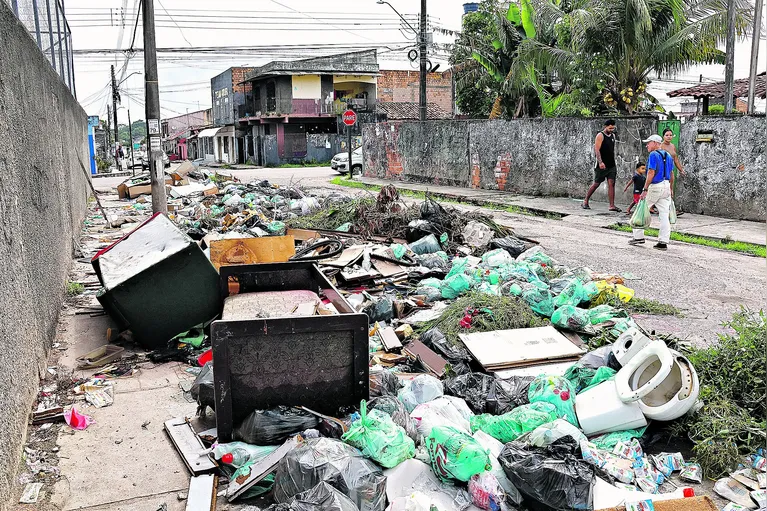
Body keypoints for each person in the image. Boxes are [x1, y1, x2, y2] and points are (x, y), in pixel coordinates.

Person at [629, 134, 674, 250]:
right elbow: (672, 174)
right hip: (666, 185)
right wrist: (671, 188)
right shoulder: (668, 155)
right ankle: (663, 241)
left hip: (655, 186)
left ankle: (638, 236)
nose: (647, 145)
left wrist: (645, 189)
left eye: (649, 142)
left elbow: (651, 172)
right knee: (664, 215)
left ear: (655, 143)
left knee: (641, 208)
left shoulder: (653, 155)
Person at [582, 119, 621, 212]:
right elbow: (597, 150)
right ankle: (585, 201)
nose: (611, 129)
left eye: (613, 128)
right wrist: (600, 162)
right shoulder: (600, 135)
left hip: (611, 165)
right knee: (596, 183)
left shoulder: (613, 136)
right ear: (605, 126)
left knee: (611, 183)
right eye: (610, 128)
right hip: (601, 165)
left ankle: (612, 205)